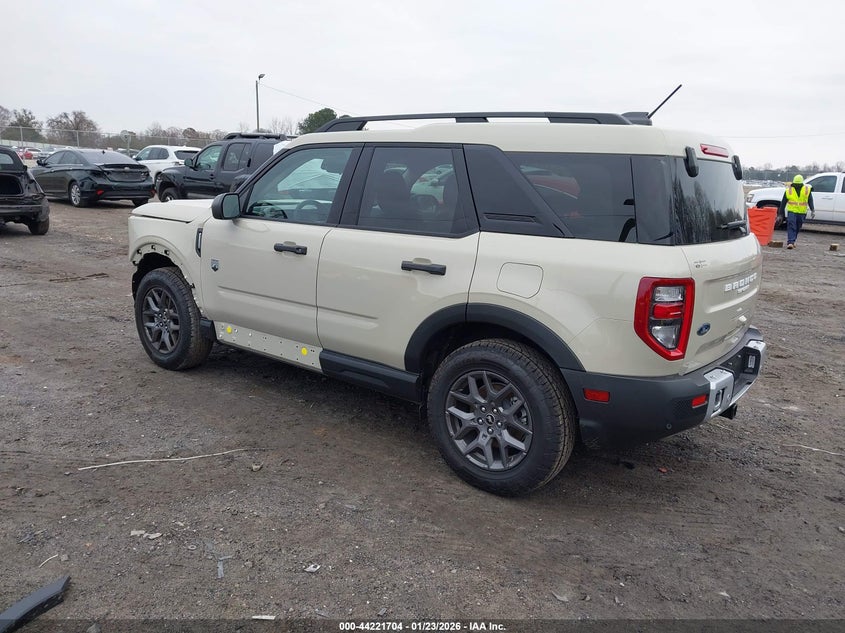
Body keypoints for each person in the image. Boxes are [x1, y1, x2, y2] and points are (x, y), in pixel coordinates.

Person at [778, 174, 815, 249]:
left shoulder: (807, 189)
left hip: (802, 212)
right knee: (791, 226)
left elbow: (810, 200)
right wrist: (780, 214)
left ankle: (793, 240)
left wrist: (812, 209)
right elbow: (783, 202)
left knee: (798, 227)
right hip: (792, 211)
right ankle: (790, 242)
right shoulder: (789, 190)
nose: (797, 185)